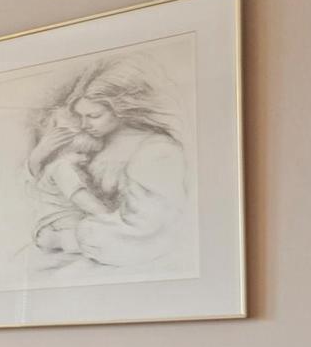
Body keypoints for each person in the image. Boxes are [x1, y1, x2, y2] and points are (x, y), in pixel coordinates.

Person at [24, 57, 192, 273]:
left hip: (124, 265)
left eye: (94, 116)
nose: (84, 125)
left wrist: (70, 238)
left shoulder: (158, 151)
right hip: (68, 253)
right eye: (80, 116)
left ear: (121, 110)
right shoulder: (90, 145)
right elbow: (44, 194)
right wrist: (37, 157)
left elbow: (151, 230)